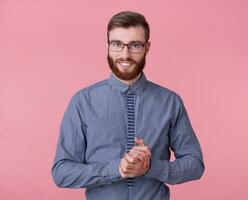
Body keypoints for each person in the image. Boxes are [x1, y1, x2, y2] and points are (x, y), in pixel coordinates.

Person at [51, 11, 205, 200]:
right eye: (117, 44)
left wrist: (150, 167)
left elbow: (195, 165)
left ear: (147, 47)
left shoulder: (170, 102)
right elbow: (61, 172)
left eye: (135, 45)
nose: (125, 54)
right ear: (107, 46)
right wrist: (116, 168)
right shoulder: (82, 102)